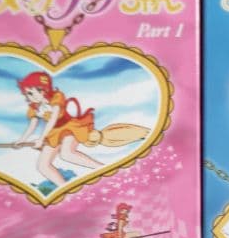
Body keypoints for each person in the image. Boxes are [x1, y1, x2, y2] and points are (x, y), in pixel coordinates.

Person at [14, 71, 149, 188]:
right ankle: (65, 189)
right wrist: (21, 140)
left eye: (32, 92)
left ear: (43, 90)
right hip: (53, 134)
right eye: (27, 93)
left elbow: (53, 119)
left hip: (69, 128)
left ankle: (105, 170)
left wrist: (41, 139)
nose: (30, 97)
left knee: (67, 154)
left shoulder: (57, 97)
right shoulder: (34, 107)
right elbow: (32, 125)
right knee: (43, 166)